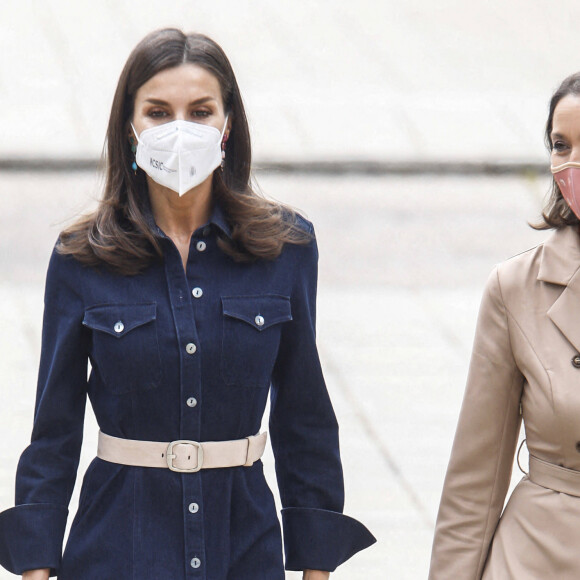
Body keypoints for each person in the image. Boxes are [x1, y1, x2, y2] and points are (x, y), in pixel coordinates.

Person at [0, 29, 375, 580]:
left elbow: (304, 412)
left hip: (243, 542)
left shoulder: (286, 248)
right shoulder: (83, 257)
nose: (180, 129)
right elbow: (53, 425)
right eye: (158, 111)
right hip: (114, 546)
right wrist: (34, 564)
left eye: (200, 112)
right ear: (130, 128)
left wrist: (315, 562)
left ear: (227, 127)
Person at [429, 71, 580, 579]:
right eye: (562, 146)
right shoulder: (516, 287)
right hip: (538, 557)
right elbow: (475, 478)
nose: (573, 164)